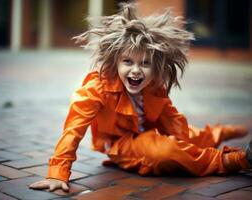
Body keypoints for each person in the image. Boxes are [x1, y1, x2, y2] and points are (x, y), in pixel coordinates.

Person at [29, 3, 251, 192]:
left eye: (145, 63)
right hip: (122, 144)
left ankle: (236, 130)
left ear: (155, 67)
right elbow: (73, 129)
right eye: (128, 62)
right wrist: (58, 173)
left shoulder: (154, 86)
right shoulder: (97, 88)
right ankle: (239, 159)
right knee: (166, 151)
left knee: (194, 137)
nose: (136, 70)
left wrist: (186, 144)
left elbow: (173, 120)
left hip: (153, 130)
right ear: (115, 62)